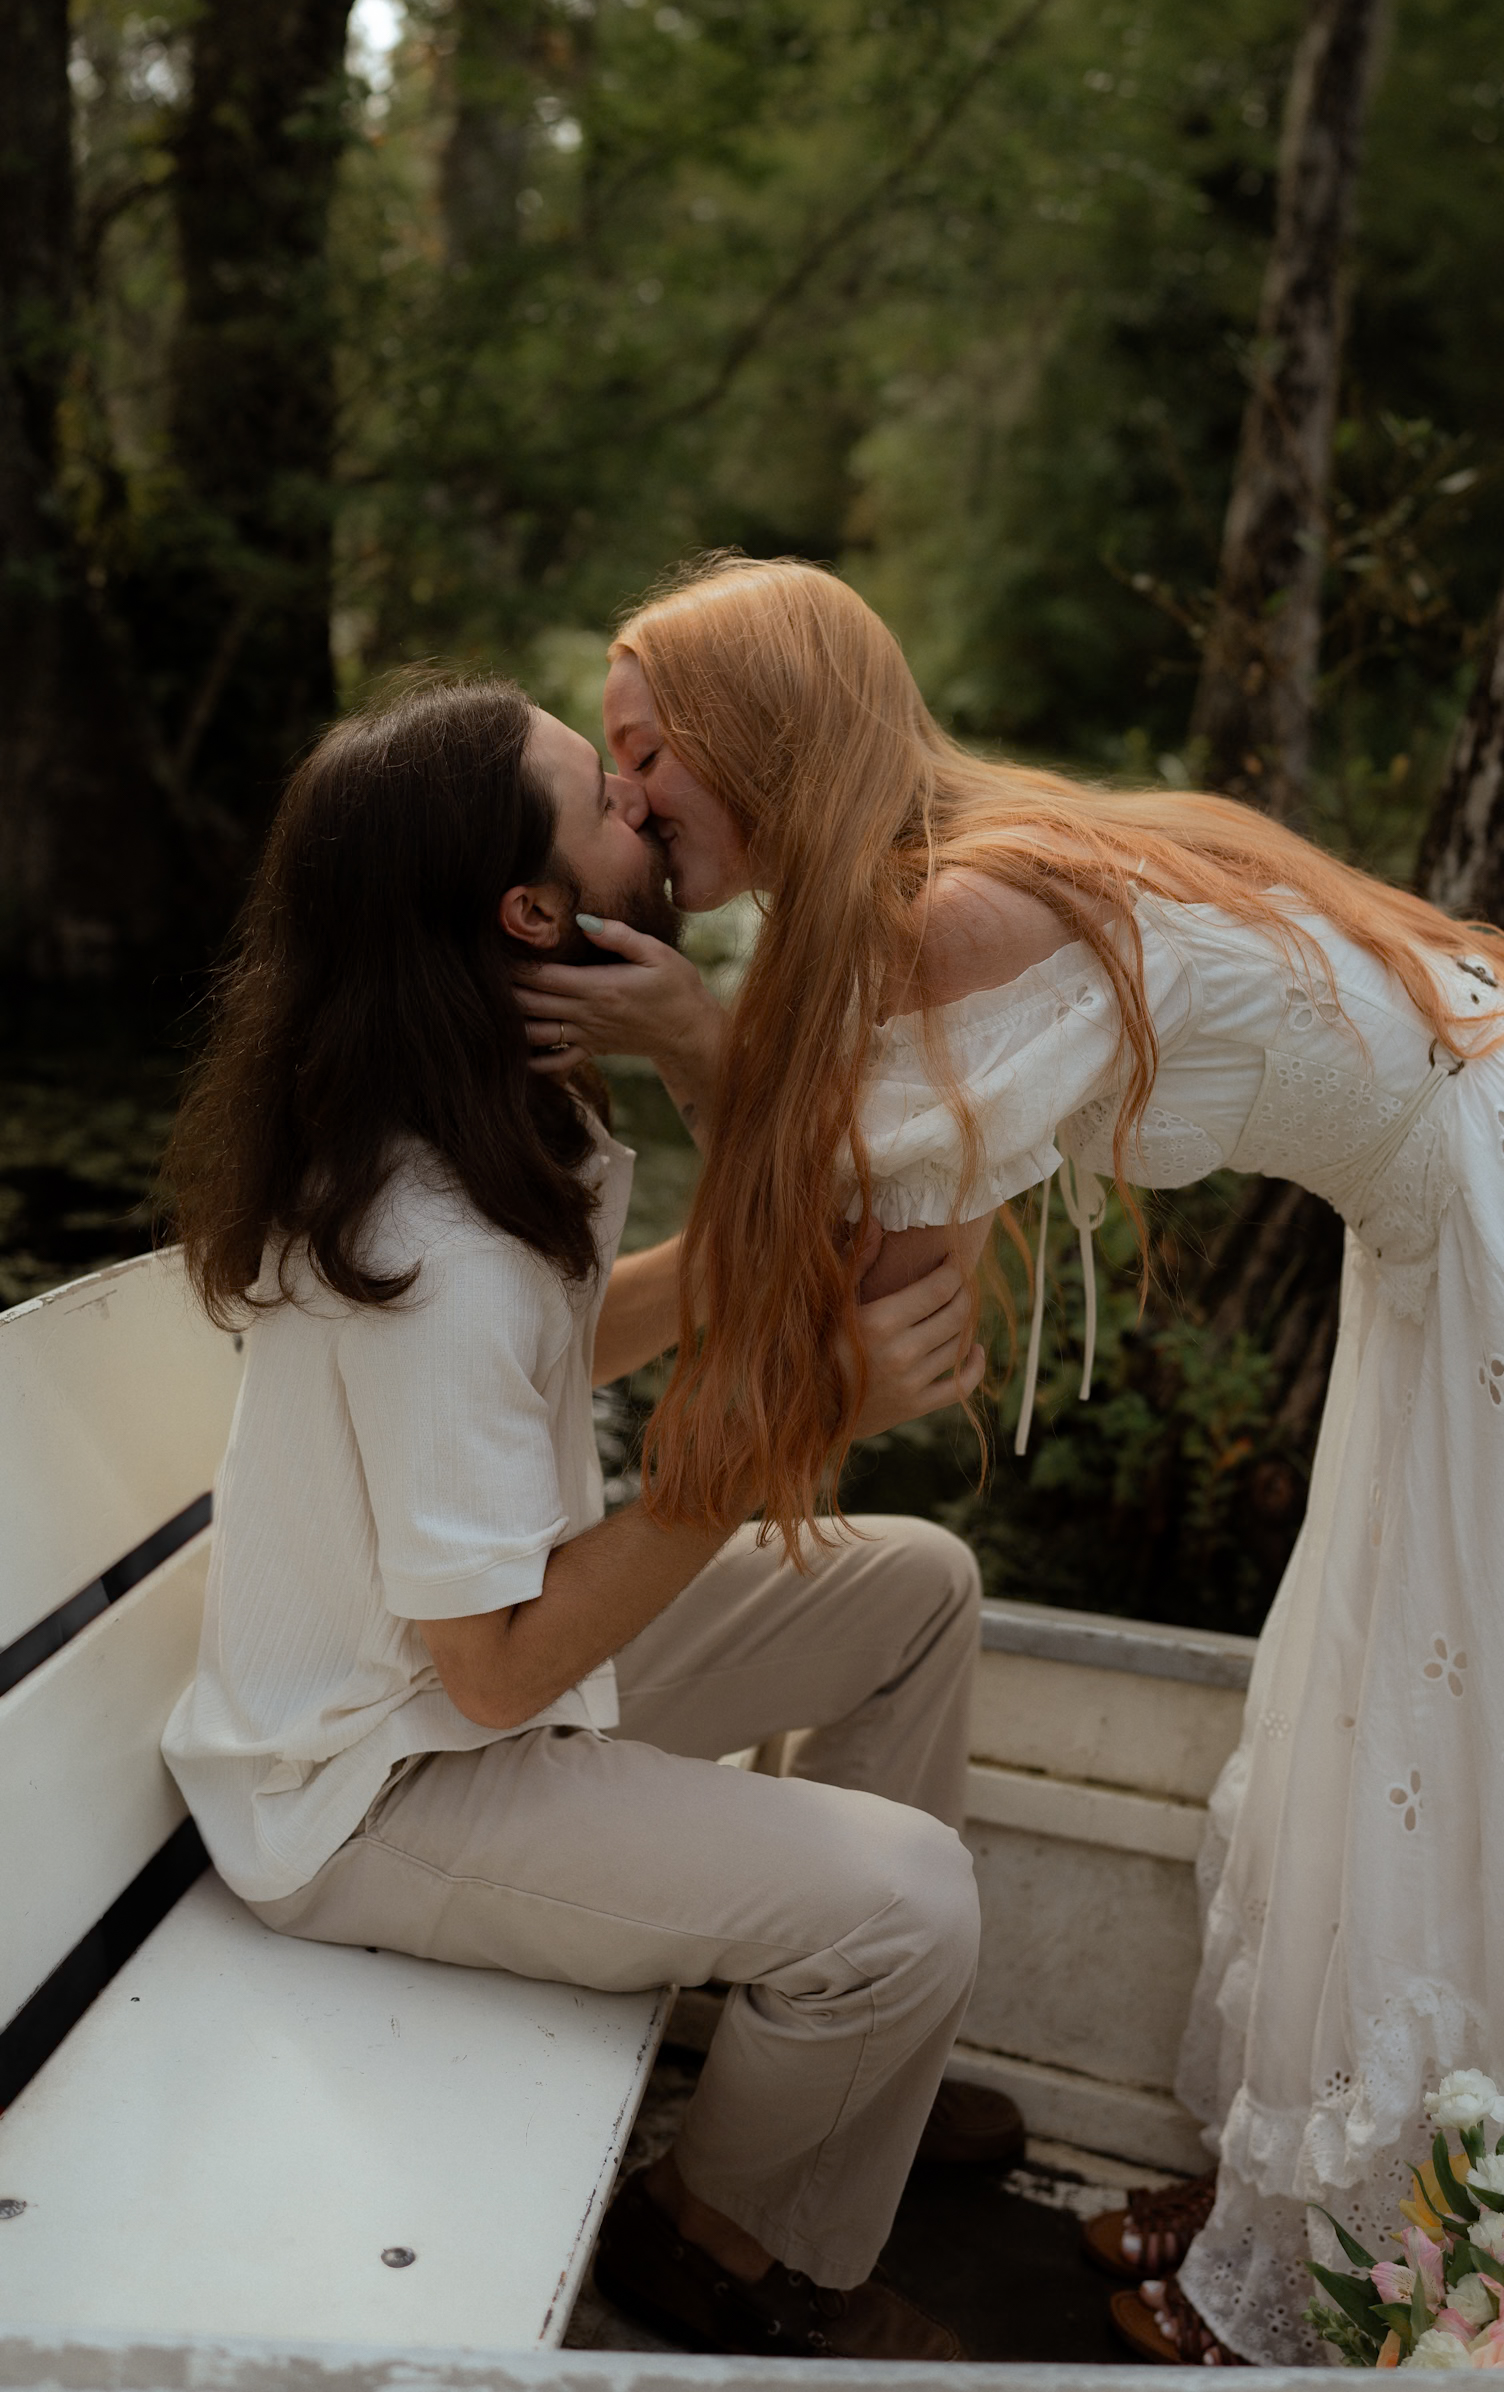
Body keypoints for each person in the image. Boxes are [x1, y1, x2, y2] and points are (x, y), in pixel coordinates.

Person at [514, 552, 1504, 2367]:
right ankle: (1302, 2214)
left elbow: (847, 1240)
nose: (625, 805)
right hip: (1499, 1183)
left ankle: (1460, 2269)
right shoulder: (962, 870)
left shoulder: (953, 912)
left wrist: (691, 1038)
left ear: (755, 742)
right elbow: (874, 1243)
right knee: (1386, 1677)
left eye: (644, 755)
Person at [160, 674, 1018, 2364]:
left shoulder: (500, 1100)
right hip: (382, 1783)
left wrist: (733, 1213)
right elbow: (488, 1674)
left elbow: (575, 1340)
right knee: (911, 1903)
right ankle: (718, 2245)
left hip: (468, 1686)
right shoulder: (432, 1247)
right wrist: (796, 1411)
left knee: (913, 1585)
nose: (650, 801)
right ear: (533, 911)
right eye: (606, 795)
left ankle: (833, 2078)